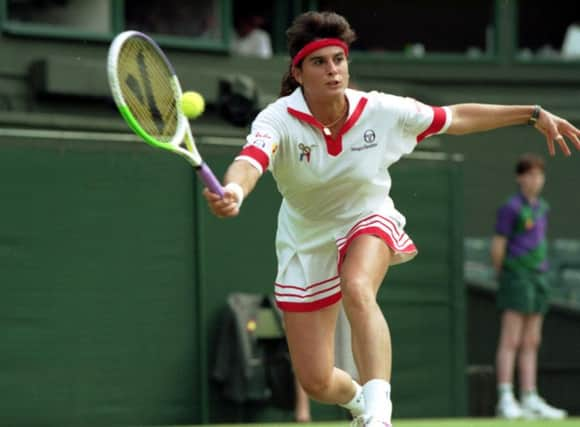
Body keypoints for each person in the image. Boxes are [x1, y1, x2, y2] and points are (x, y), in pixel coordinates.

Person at [203, 11, 580, 427]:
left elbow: (454, 118)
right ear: (298, 71)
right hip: (305, 243)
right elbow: (250, 162)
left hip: (369, 217)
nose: (332, 70)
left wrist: (530, 113)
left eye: (338, 60)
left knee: (358, 285)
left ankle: (380, 413)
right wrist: (235, 190)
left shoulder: (379, 110)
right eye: (319, 62)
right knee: (316, 381)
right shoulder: (277, 119)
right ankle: (360, 403)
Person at [491, 154, 568, 420]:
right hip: (516, 276)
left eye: (540, 175)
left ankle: (529, 396)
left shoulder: (542, 207)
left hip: (538, 277)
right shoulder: (510, 208)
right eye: (530, 174)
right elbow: (498, 247)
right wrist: (507, 275)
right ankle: (505, 397)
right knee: (511, 338)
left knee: (532, 340)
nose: (536, 180)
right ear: (519, 178)